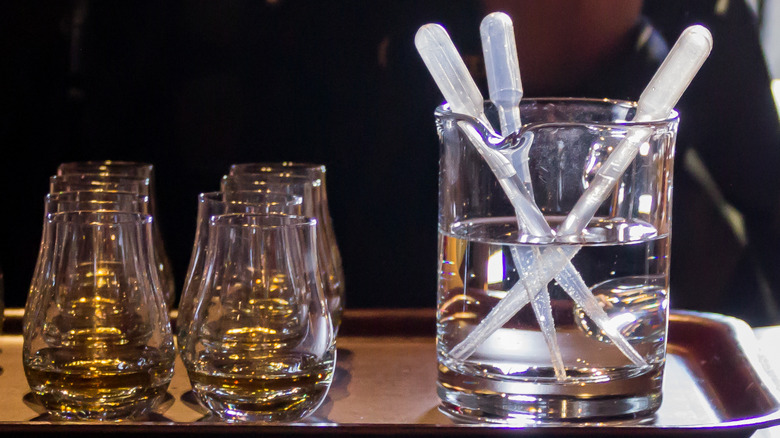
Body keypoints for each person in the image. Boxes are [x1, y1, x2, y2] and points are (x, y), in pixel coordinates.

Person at [2, 0, 778, 326]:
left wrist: (626, 45)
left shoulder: (699, 25)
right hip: (401, 338)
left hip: (650, 347)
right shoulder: (354, 31)